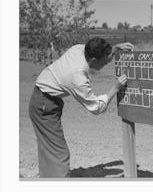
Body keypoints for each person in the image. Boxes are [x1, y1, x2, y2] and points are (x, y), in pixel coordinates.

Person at [29, 37, 134, 178]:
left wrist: (114, 49)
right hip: (44, 106)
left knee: (48, 149)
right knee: (59, 154)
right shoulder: (77, 77)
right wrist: (114, 89)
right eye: (105, 60)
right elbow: (96, 107)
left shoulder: (78, 49)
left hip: (43, 100)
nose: (107, 62)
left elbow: (96, 51)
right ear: (93, 61)